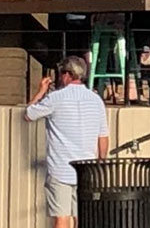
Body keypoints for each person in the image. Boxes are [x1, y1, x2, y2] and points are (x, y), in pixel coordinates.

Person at [24, 56, 109, 228]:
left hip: (60, 168)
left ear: (67, 74)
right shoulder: (96, 100)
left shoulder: (55, 98)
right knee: (83, 218)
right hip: (86, 169)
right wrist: (101, 163)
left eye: (61, 73)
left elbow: (28, 114)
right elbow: (103, 136)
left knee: (61, 218)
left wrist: (41, 91)